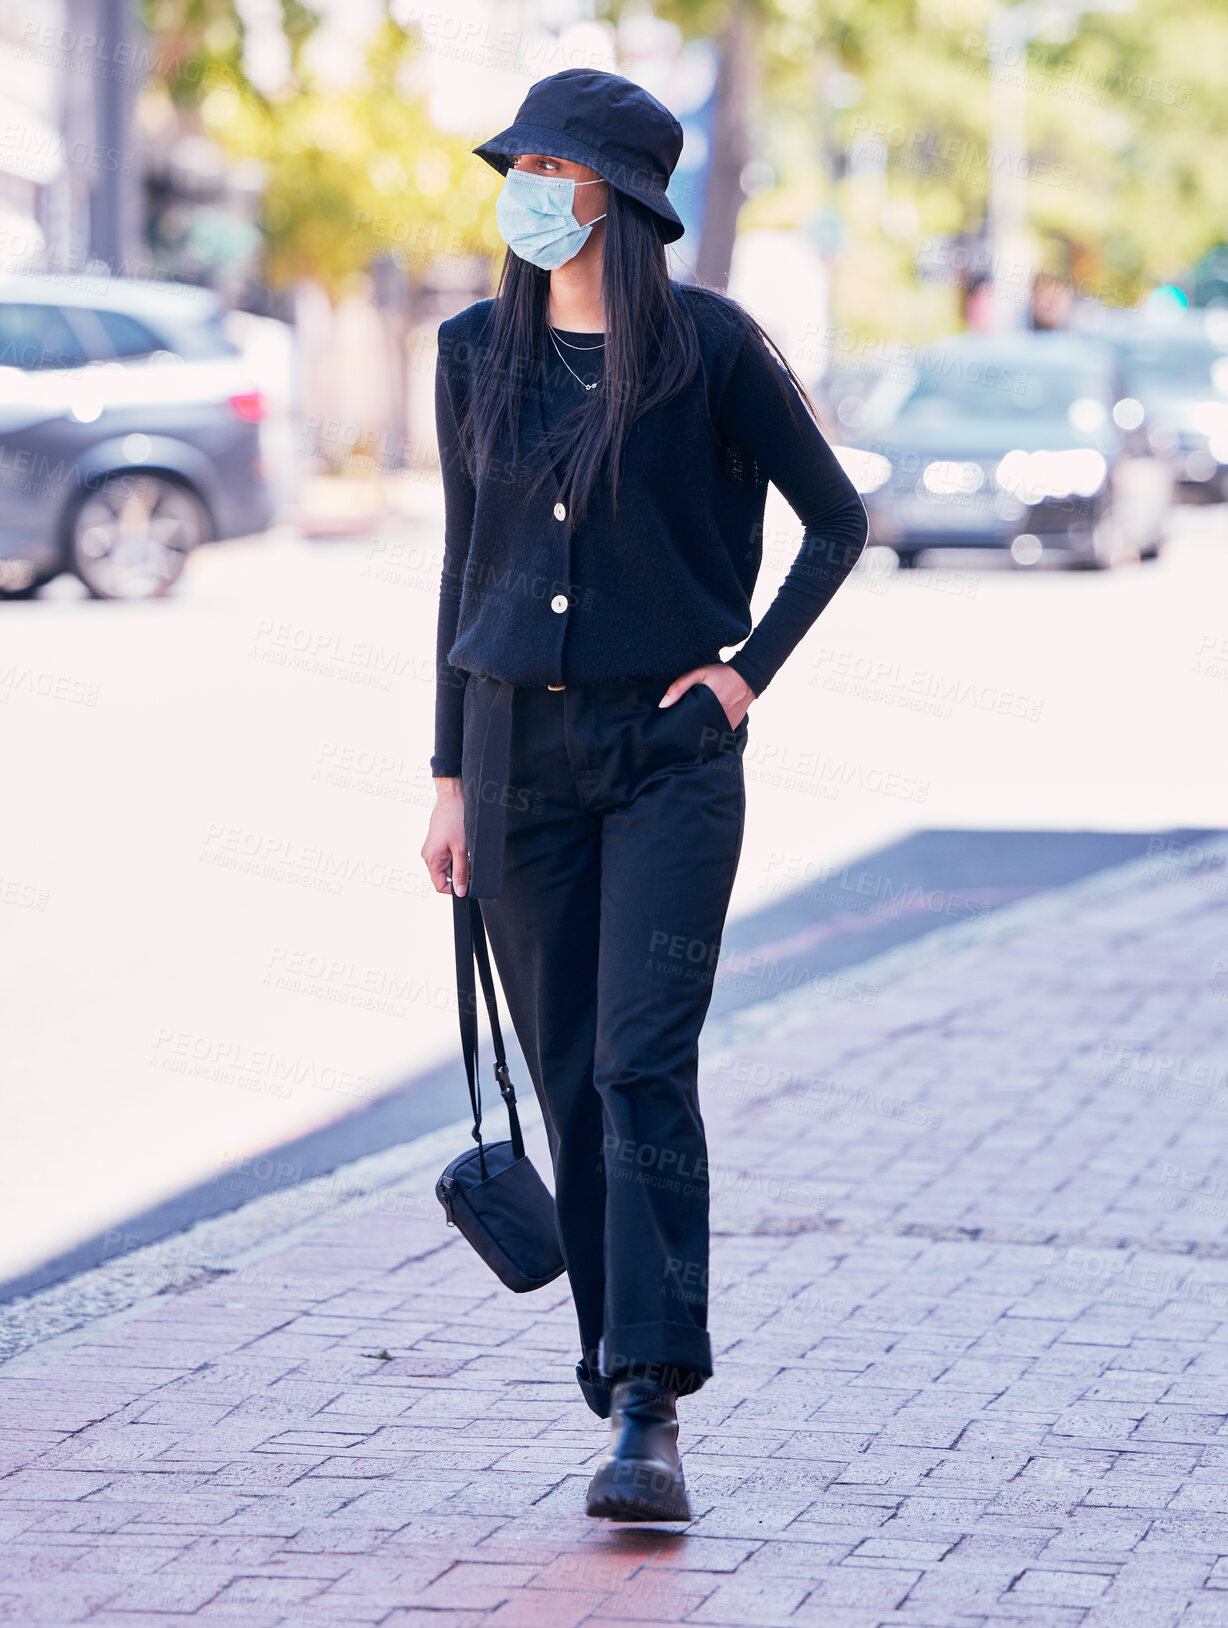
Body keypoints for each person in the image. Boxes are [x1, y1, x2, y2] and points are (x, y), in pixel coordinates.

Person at [421, 67, 867, 1521]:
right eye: (520, 162)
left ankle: (649, 1406)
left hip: (667, 758)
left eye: (554, 166)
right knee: (567, 1082)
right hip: (509, 763)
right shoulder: (470, 349)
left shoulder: (711, 351)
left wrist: (747, 674)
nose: (527, 186)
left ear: (619, 198)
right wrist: (443, 775)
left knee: (636, 1065)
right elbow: (461, 567)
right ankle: (609, 1367)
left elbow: (839, 519)